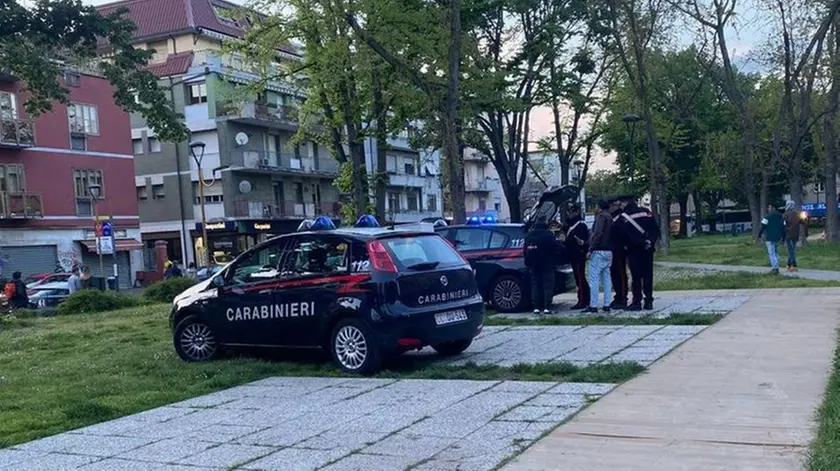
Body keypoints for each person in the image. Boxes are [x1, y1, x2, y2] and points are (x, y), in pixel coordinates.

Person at [617, 195, 661, 311]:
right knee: (648, 275)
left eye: (620, 204)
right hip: (648, 249)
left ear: (625, 203)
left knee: (636, 276)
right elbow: (655, 230)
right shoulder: (646, 212)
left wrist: (639, 243)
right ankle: (649, 301)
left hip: (634, 250)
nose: (620, 206)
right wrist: (649, 242)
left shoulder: (623, 217)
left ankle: (636, 302)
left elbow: (624, 236)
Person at [524, 215, 564, 314]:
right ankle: (547, 307)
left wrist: (528, 263)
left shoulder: (529, 235)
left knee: (535, 285)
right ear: (545, 223)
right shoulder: (549, 235)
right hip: (547, 264)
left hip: (533, 264)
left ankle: (536, 307)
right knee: (548, 286)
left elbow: (525, 250)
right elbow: (556, 249)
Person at [584, 200, 614, 313]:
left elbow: (598, 233)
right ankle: (607, 304)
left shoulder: (601, 217)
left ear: (599, 206)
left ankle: (593, 305)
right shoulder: (610, 217)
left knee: (594, 278)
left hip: (599, 250)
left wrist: (591, 248)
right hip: (609, 251)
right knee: (606, 278)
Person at [564, 204, 590, 310]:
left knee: (580, 278)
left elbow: (583, 242)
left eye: (571, 212)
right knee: (579, 278)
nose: (569, 214)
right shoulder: (572, 225)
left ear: (576, 212)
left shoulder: (580, 226)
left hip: (578, 256)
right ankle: (584, 299)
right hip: (574, 256)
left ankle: (583, 300)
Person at [608, 198, 629, 309]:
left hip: (620, 251)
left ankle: (623, 297)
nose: (612, 208)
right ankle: (618, 295)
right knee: (614, 274)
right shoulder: (613, 219)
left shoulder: (620, 219)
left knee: (620, 274)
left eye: (614, 205)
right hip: (613, 251)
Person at [759, 204, 784, 274]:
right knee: (776, 252)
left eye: (769, 207)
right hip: (778, 237)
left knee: (771, 253)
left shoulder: (767, 216)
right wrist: (783, 237)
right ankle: (777, 264)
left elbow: (763, 226)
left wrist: (759, 235)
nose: (768, 209)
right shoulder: (781, 216)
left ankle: (775, 268)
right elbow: (784, 226)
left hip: (769, 237)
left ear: (773, 208)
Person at [782, 200, 801, 271]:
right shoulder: (798, 214)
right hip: (796, 234)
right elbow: (803, 222)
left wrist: (782, 235)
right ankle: (788, 264)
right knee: (792, 249)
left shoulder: (785, 214)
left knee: (790, 250)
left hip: (788, 234)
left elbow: (783, 225)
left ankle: (793, 265)